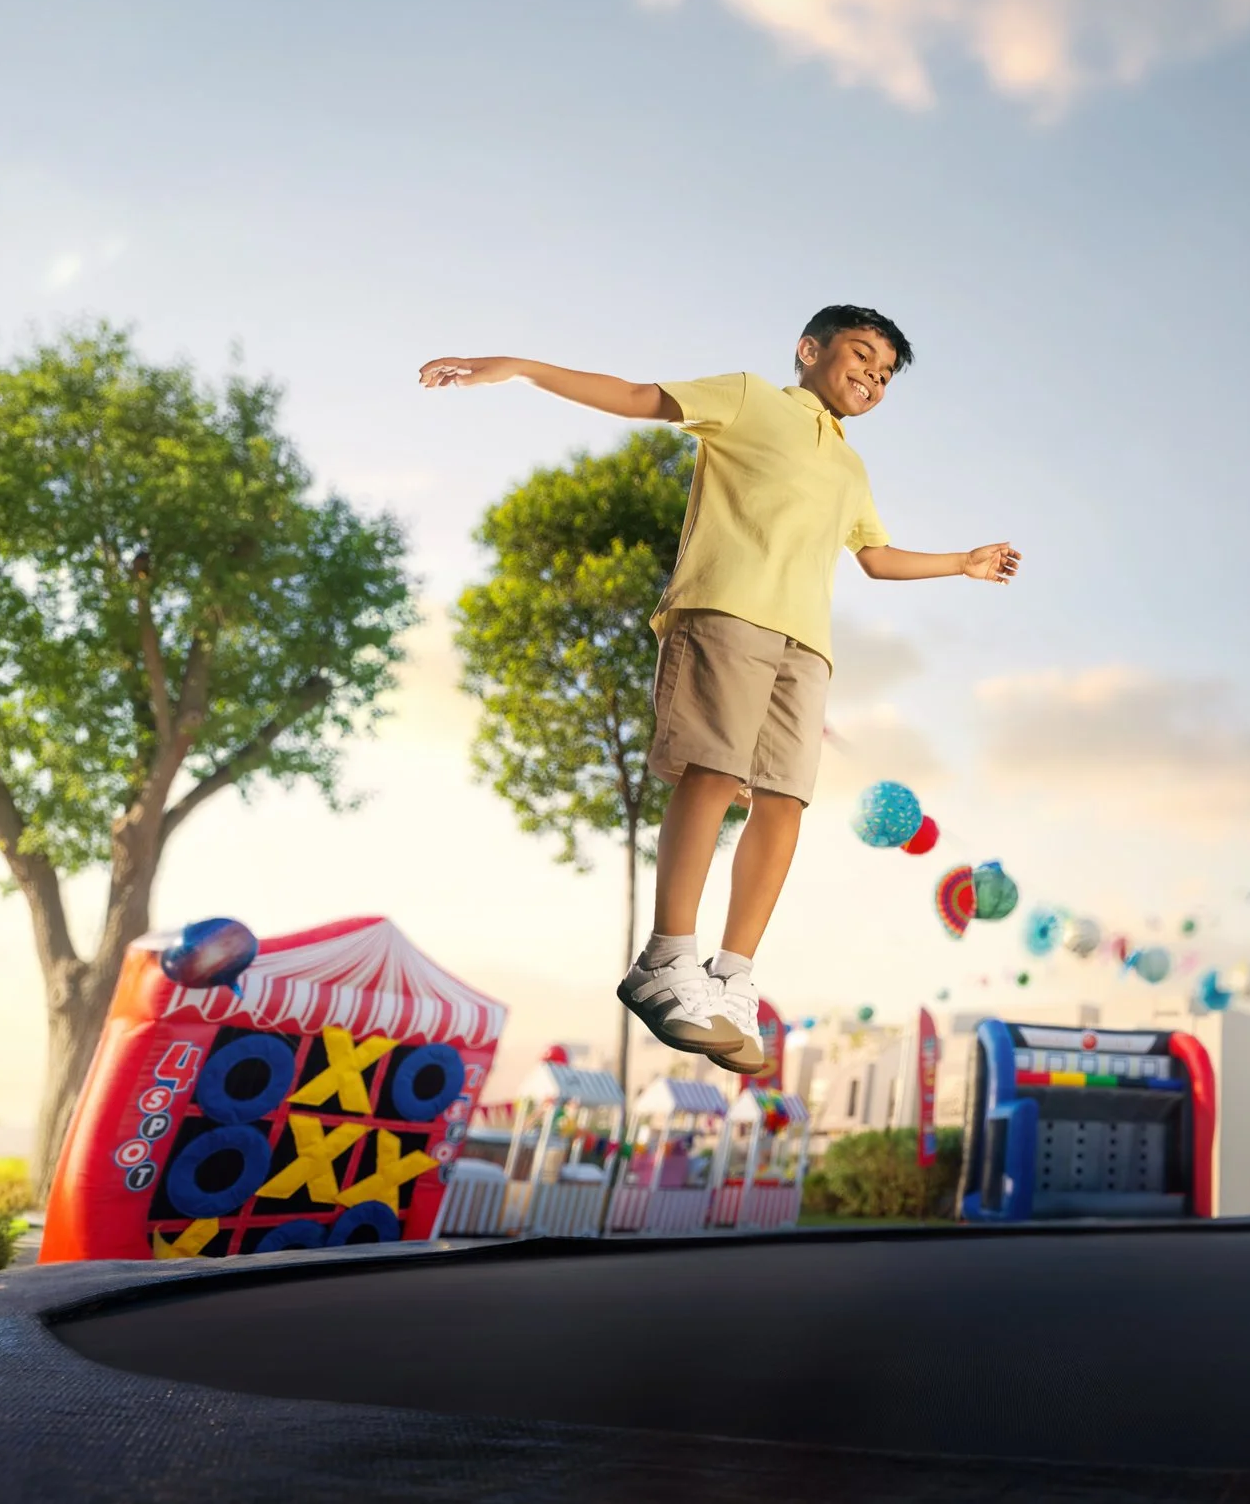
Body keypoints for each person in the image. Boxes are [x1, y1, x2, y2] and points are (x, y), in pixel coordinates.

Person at [419, 306, 1020, 1074]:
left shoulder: (851, 465)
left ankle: (732, 975)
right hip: (727, 609)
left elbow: (873, 555)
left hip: (809, 646)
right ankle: (665, 959)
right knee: (713, 772)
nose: (872, 375)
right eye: (861, 355)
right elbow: (639, 397)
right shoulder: (748, 398)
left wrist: (961, 561)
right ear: (810, 351)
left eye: (884, 373)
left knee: (783, 801)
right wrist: (519, 365)